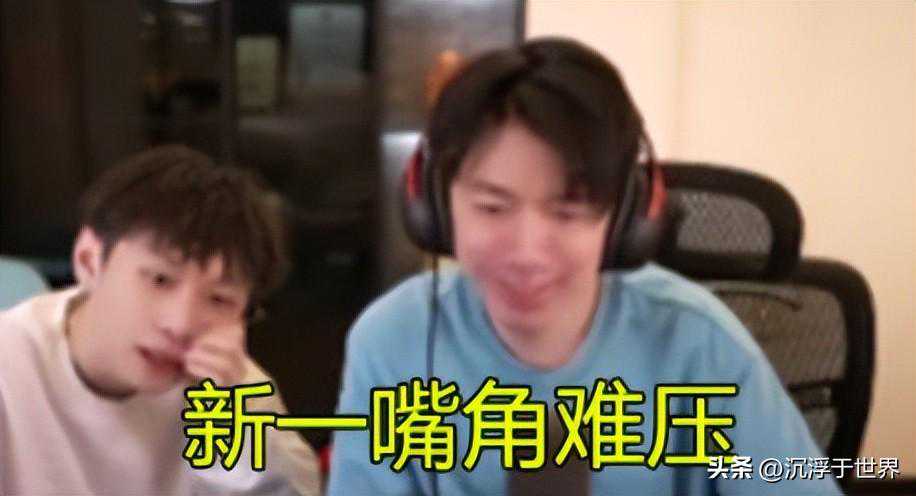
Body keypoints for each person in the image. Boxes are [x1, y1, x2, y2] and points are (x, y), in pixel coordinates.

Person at [328, 38, 841, 495]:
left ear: (625, 218)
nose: (527, 252)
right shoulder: (392, 342)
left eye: (567, 211)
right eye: (492, 207)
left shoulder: (702, 345)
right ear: (434, 207)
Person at [0, 145, 320, 495]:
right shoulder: (10, 367)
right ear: (90, 260)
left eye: (219, 299)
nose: (181, 324)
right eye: (160, 280)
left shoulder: (231, 384)